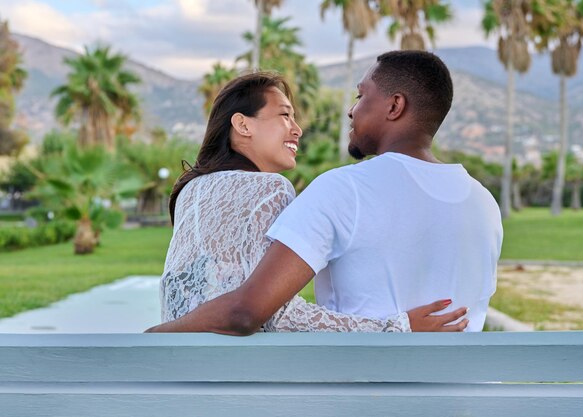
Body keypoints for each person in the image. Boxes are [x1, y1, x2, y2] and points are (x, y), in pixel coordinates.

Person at [147, 51, 502, 335]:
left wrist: (156, 334)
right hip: (468, 399)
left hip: (362, 398)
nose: (351, 109)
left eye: (361, 96)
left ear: (394, 106)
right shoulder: (485, 203)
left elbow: (250, 311)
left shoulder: (344, 189)